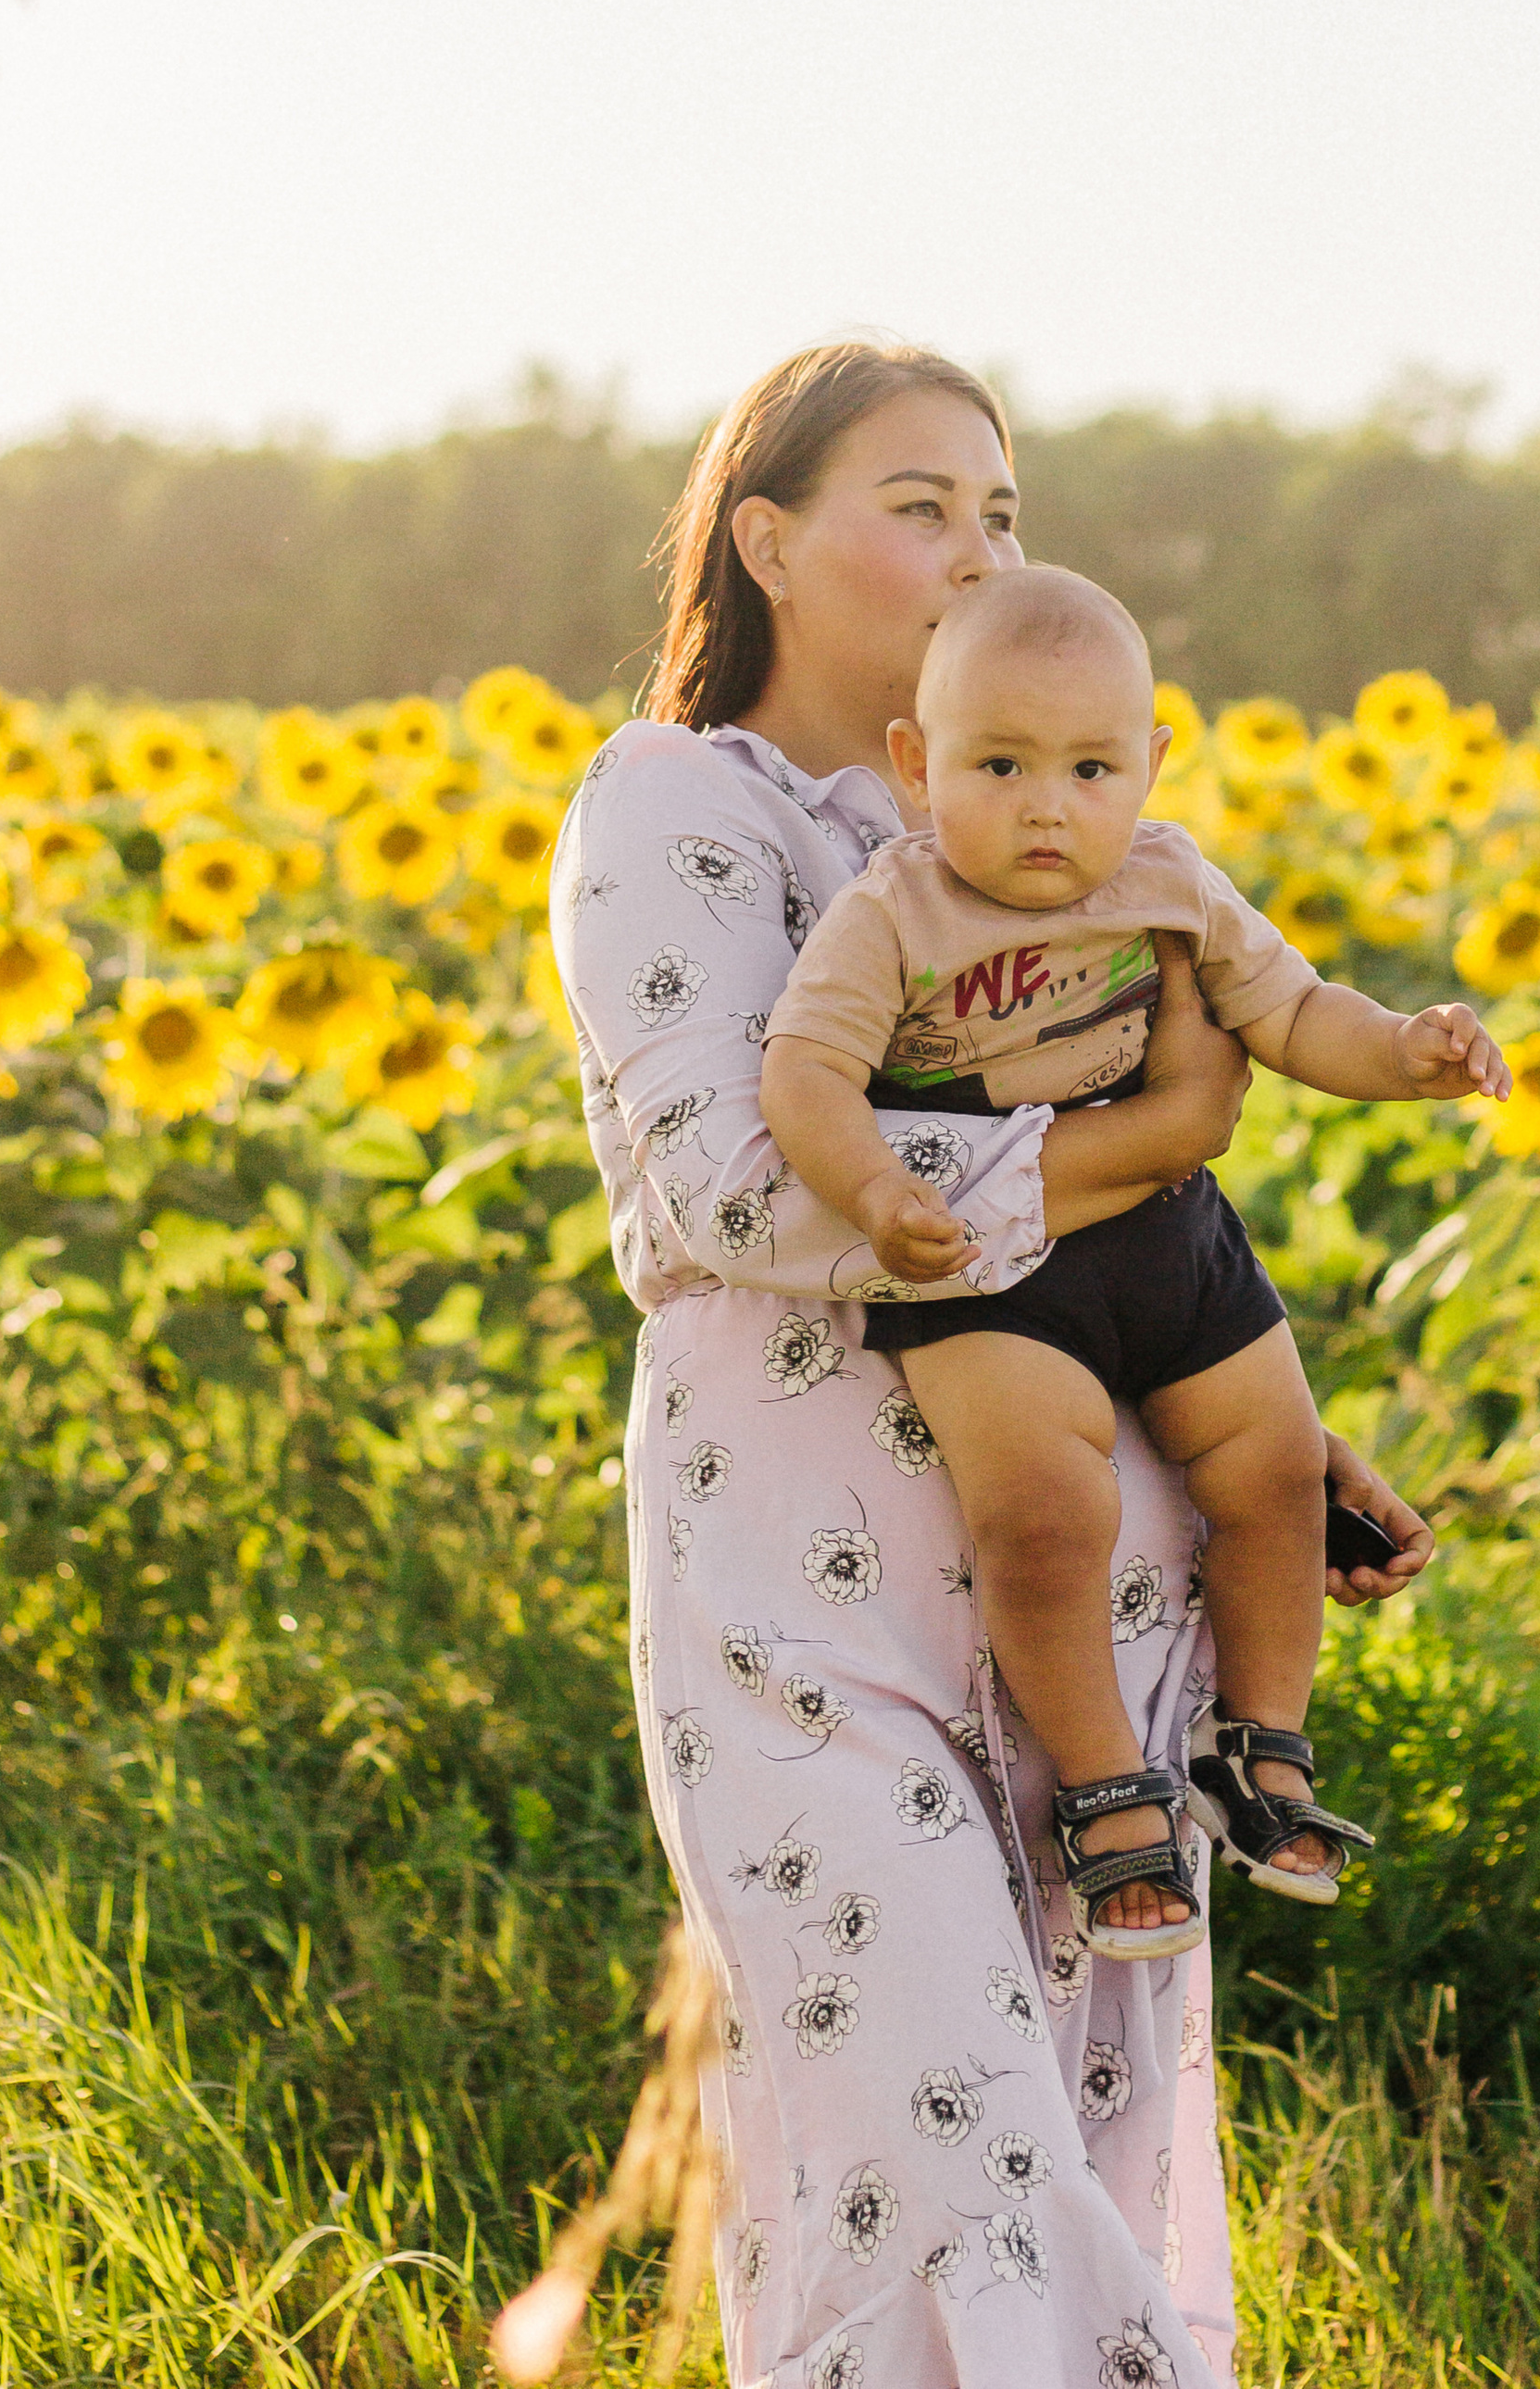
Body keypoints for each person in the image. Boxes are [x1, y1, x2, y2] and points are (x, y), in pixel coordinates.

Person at [552, 339, 1436, 2389]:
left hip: (1091, 1659)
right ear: (766, 541)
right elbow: (722, 1188)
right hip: (810, 1626)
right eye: (921, 505)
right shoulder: (676, 806)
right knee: (937, 2166)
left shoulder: (1030, 826)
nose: (977, 552)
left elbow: (1147, 1250)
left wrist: (1294, 1444)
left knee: (1081, 2144)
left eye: (1004, 513)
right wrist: (1133, 1138)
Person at [757, 563, 1507, 1962]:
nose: (1049, 805)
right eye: (1001, 764)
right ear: (919, 767)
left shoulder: (1169, 881)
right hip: (995, 1268)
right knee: (1045, 1520)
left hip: (1173, 1240)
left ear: (1153, 765)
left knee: (1277, 1468)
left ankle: (1262, 1745)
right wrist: (873, 1186)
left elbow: (1293, 1011)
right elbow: (804, 1070)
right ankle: (1109, 1788)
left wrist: (1406, 1053)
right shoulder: (896, 912)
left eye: (1091, 766)